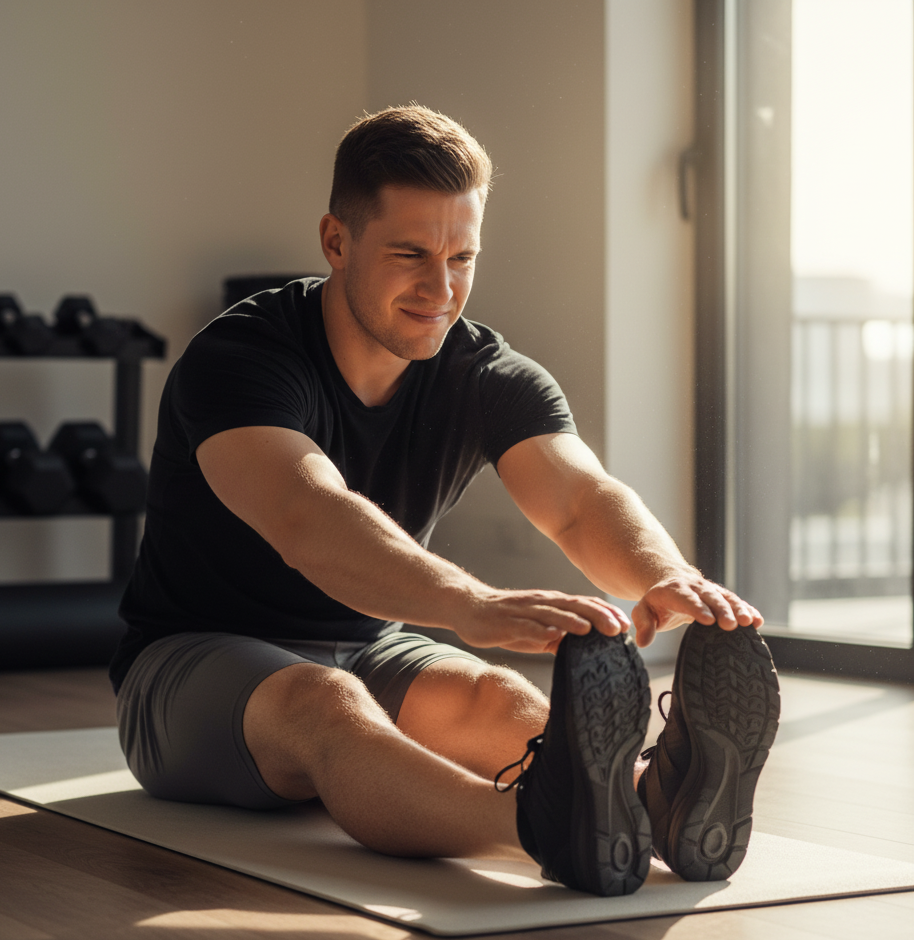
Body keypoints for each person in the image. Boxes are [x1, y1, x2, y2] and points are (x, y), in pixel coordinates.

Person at [110, 105, 780, 897]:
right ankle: (542, 824)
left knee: (493, 693)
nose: (442, 287)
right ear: (336, 241)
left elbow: (577, 496)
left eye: (463, 257)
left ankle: (646, 802)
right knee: (324, 701)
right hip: (191, 664)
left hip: (370, 646)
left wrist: (661, 576)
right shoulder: (240, 357)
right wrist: (468, 602)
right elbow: (306, 515)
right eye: (411, 254)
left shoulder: (487, 373)